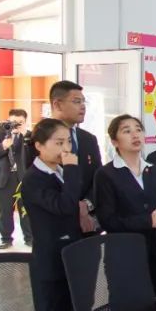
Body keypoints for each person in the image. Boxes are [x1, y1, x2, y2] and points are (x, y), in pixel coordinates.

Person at [94, 114, 156, 294]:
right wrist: (149, 221)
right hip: (125, 249)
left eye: (138, 130)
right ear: (114, 141)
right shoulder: (106, 174)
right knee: (134, 299)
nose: (135, 135)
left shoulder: (152, 169)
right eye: (127, 131)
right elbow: (107, 220)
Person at [19, 118, 81, 311]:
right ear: (39, 145)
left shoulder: (59, 171)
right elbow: (64, 205)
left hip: (69, 253)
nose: (65, 149)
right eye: (58, 143)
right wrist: (72, 169)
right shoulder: (34, 179)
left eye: (68, 142)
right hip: (50, 258)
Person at [44, 81, 102, 236]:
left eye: (84, 102)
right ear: (57, 105)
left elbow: (98, 178)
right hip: (55, 226)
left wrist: (86, 205)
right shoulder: (39, 139)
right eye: (77, 101)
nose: (83, 106)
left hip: (89, 225)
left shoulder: (88, 139)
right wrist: (73, 208)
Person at [0, 109, 32, 249]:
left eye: (20, 122)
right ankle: (6, 239)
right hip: (5, 177)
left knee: (25, 210)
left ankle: (29, 238)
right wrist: (3, 146)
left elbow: (34, 156)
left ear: (26, 122)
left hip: (23, 178)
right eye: (13, 122)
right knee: (5, 210)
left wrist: (24, 137)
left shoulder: (30, 136)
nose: (16, 125)